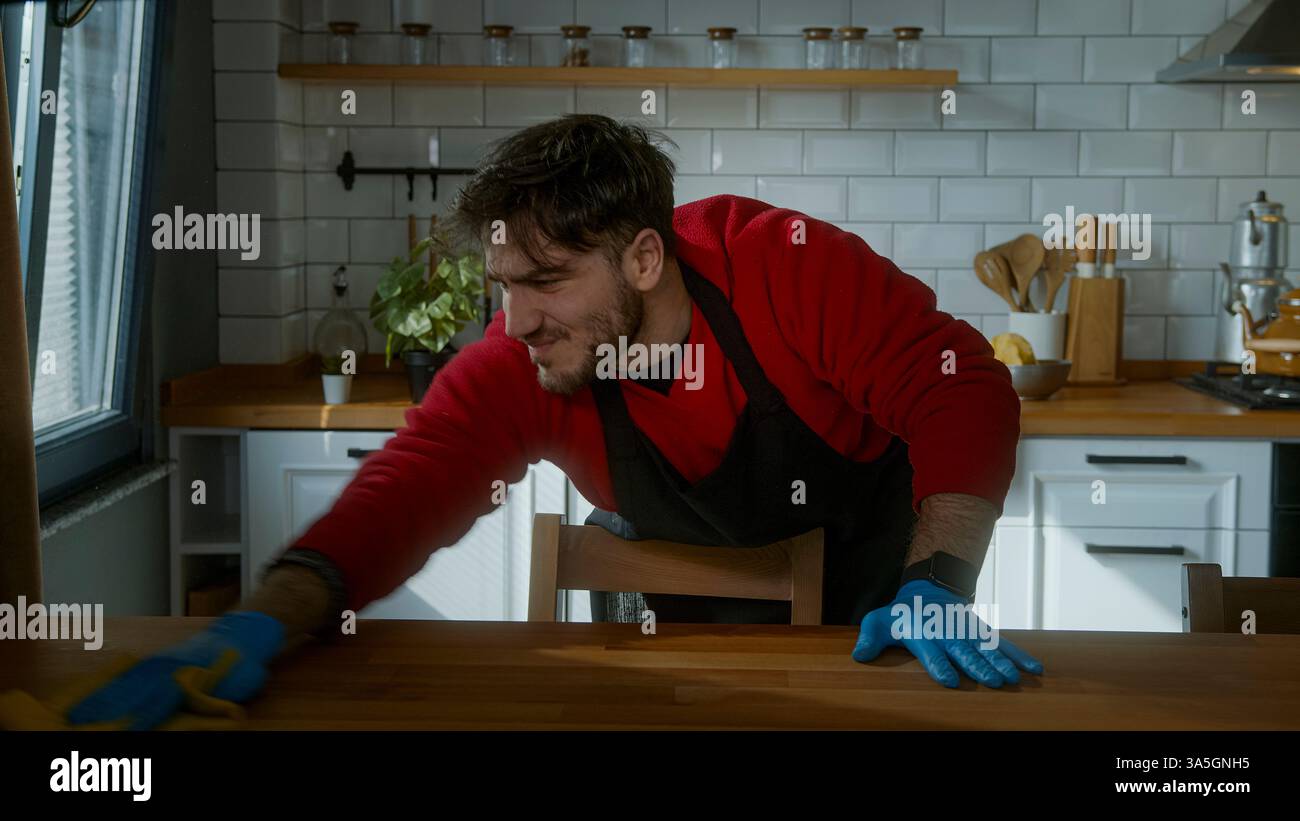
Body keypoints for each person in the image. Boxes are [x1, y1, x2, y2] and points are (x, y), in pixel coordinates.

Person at [69, 115, 1041, 729]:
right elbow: (407, 483)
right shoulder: (527, 358)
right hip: (685, 645)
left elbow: (959, 385)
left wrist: (937, 577)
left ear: (647, 260)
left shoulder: (779, 263)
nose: (515, 320)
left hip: (879, 613)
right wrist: (256, 620)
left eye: (544, 282)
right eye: (502, 287)